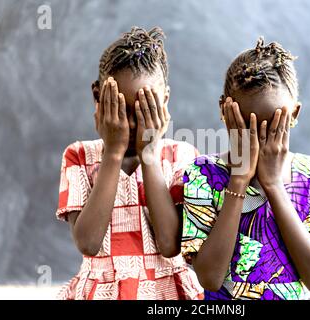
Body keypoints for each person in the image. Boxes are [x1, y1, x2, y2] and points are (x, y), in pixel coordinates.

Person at [181, 37, 310, 300]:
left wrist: (272, 184)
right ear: (225, 112)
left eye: (271, 126)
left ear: (294, 115)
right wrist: (238, 180)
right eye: (248, 125)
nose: (259, 139)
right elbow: (210, 278)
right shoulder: (203, 174)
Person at [55, 27, 203, 300]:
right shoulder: (78, 156)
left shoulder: (183, 157)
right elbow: (88, 242)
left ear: (165, 102)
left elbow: (170, 245)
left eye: (145, 111)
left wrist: (149, 154)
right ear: (98, 97)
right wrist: (112, 153)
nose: (133, 125)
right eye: (122, 111)